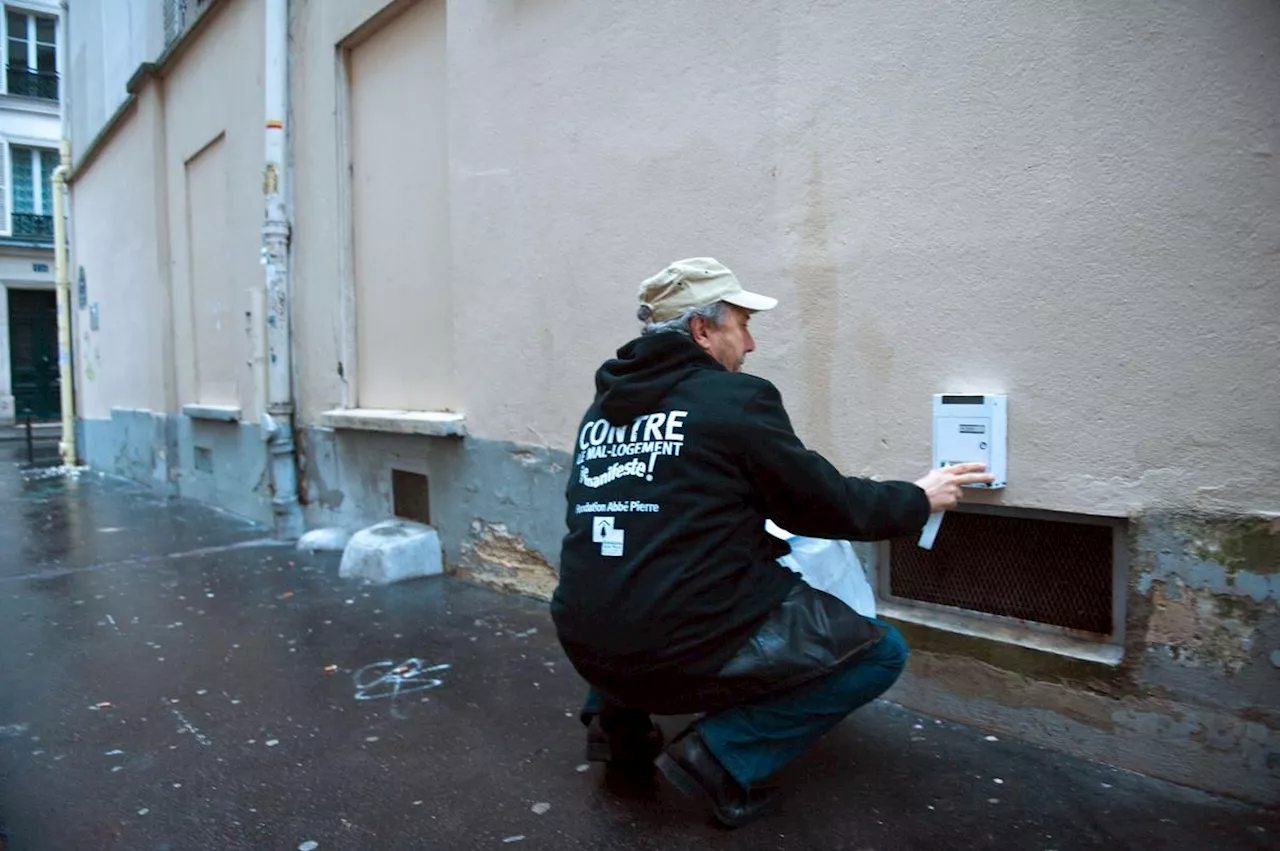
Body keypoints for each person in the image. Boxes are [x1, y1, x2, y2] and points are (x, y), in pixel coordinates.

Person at [550, 257, 993, 827]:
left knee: (629, 585)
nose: (752, 343)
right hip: (674, 646)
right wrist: (916, 497)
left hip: (584, 638)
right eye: (741, 323)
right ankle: (719, 755)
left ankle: (618, 732)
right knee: (880, 653)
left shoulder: (600, 414)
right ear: (702, 330)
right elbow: (821, 503)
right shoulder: (734, 400)